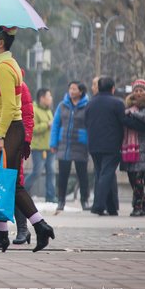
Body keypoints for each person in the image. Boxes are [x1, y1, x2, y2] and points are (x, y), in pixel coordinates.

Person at [0, 26, 53, 253]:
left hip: (7, 129)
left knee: (9, 183)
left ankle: (39, 226)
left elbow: (11, 106)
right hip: (2, 128)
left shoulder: (5, 68)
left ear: (0, 43)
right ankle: (3, 234)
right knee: (4, 181)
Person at [85, 76, 125, 216]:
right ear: (112, 88)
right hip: (111, 145)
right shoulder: (117, 103)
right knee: (107, 174)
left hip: (94, 145)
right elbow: (123, 122)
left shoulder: (90, 103)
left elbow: (86, 123)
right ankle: (98, 205)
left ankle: (112, 207)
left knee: (102, 174)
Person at [50, 81, 90, 212]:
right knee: (63, 175)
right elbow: (56, 125)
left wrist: (88, 141)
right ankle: (61, 200)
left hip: (80, 144)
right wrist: (53, 143)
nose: (71, 91)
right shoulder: (62, 105)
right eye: (70, 89)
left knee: (82, 175)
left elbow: (90, 125)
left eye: (74, 89)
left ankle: (85, 200)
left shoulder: (87, 106)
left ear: (81, 91)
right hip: (64, 145)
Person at [121, 79, 145, 216]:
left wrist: (135, 114)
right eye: (136, 91)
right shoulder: (127, 108)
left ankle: (137, 207)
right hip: (130, 150)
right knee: (133, 180)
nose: (138, 93)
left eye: (141, 91)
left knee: (139, 181)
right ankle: (143, 204)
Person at [24, 88, 55, 203]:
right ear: (42, 98)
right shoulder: (34, 109)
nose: (50, 99)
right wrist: (47, 125)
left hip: (49, 147)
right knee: (37, 172)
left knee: (51, 172)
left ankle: (51, 197)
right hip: (38, 147)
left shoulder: (48, 110)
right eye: (49, 96)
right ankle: (23, 190)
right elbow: (33, 128)